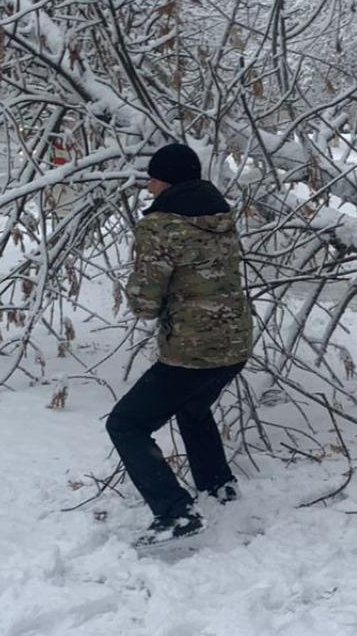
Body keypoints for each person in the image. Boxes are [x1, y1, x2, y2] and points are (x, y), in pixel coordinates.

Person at [105, 142, 253, 545]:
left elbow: (145, 304)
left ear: (165, 180)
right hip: (235, 344)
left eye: (152, 178)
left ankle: (175, 512)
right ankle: (218, 485)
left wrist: (137, 287)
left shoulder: (160, 227)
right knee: (193, 407)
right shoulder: (221, 215)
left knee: (126, 424)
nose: (148, 186)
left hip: (193, 351)